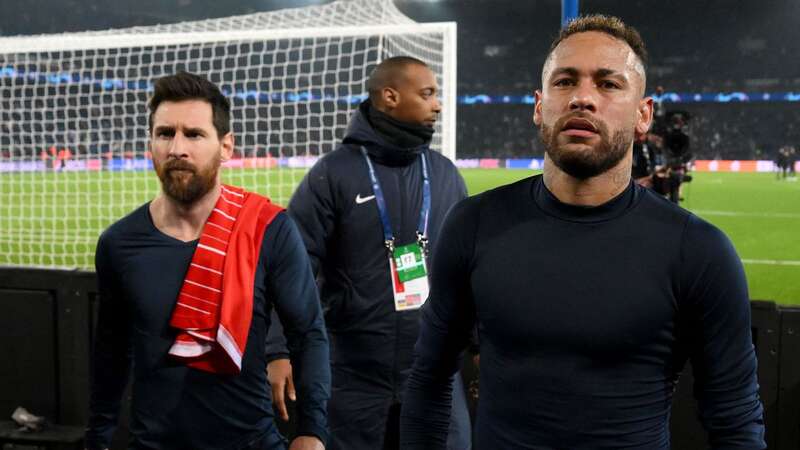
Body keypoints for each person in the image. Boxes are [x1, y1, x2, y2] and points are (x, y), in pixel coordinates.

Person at [400, 15, 765, 449]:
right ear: (540, 106)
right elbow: (429, 380)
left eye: (608, 84)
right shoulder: (473, 225)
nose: (582, 98)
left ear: (644, 114)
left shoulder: (699, 251)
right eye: (565, 82)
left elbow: (736, 423)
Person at [85, 72, 330, 450]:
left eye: (194, 134)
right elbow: (111, 354)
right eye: (165, 133)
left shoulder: (268, 229)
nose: (177, 148)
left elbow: (308, 332)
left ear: (226, 146)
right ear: (150, 143)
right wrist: (97, 440)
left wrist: (312, 431)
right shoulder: (119, 244)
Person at [266, 56, 472, 450]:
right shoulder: (333, 174)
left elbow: (469, 271)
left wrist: (482, 347)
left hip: (434, 378)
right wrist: (277, 348)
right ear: (390, 96)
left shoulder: (445, 174)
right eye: (427, 93)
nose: (438, 104)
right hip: (352, 381)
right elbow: (292, 267)